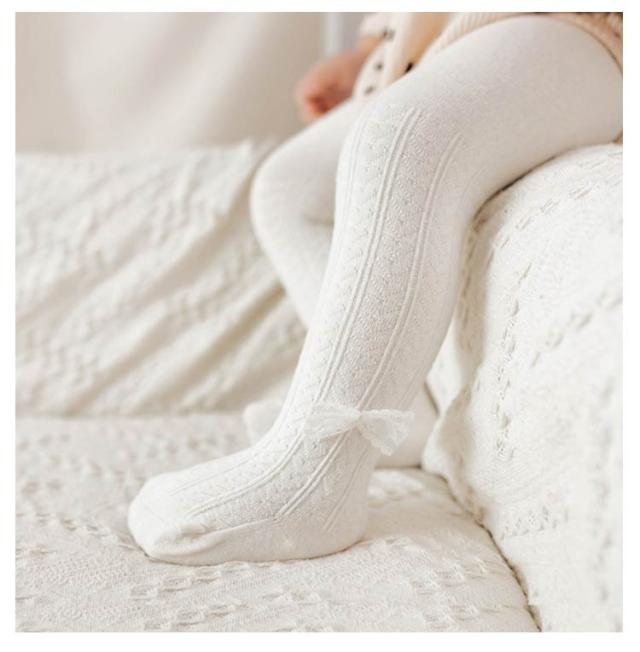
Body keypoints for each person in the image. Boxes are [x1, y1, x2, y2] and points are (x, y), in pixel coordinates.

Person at [128, 12, 622, 565]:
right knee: (289, 188)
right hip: (445, 37)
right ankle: (403, 415)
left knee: (402, 141)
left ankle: (316, 476)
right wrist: (372, 47)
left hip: (593, 25)